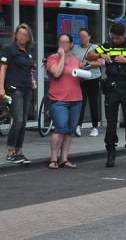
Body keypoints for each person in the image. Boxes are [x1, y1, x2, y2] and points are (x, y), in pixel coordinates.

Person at [86, 23, 126, 168]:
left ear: (123, 35)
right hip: (112, 88)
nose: (115, 40)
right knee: (111, 124)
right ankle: (111, 154)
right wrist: (101, 54)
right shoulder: (107, 46)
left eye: (118, 38)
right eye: (113, 37)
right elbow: (89, 55)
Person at [0, 24, 37, 164]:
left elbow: (28, 69)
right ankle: (10, 152)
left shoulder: (27, 52)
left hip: (27, 89)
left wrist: (32, 80)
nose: (22, 37)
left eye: (25, 35)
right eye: (20, 34)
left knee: (24, 122)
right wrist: (1, 89)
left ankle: (19, 151)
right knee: (18, 120)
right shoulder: (9, 50)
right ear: (15, 35)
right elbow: (2, 69)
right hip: (15, 89)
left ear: (28, 38)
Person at [46, 34, 83, 169]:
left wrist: (84, 72)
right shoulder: (52, 58)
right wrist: (62, 57)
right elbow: (56, 73)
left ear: (71, 44)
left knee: (69, 131)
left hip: (76, 99)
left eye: (65, 42)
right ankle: (53, 159)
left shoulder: (75, 60)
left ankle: (64, 159)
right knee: (60, 128)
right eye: (60, 42)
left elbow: (80, 78)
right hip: (58, 99)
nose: (62, 44)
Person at [72, 28, 103, 137]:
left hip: (93, 78)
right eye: (80, 37)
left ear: (89, 37)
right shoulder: (75, 48)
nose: (82, 39)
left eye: (84, 37)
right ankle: (78, 126)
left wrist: (87, 63)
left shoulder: (95, 48)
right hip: (81, 78)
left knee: (93, 102)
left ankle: (95, 127)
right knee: (81, 102)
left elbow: (100, 62)